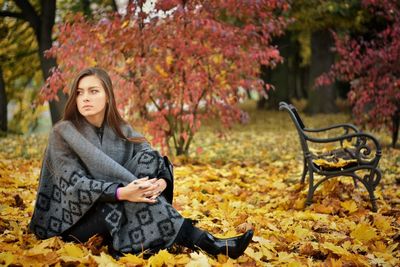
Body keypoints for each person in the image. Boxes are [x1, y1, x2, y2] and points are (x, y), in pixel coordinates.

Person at [29, 67, 253, 259]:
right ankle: (210, 243)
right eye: (79, 93)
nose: (85, 98)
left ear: (108, 96)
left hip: (120, 201)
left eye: (93, 91)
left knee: (149, 158)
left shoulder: (121, 130)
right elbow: (75, 184)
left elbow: (152, 158)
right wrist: (123, 193)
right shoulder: (63, 132)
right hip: (68, 221)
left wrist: (160, 184)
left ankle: (151, 237)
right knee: (120, 203)